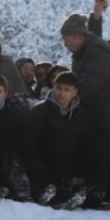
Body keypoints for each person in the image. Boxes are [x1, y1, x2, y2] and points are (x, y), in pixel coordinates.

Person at [61, 13, 110, 211]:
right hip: (104, 115)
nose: (66, 45)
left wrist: (70, 98)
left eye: (67, 40)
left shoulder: (97, 52)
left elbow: (89, 85)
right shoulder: (87, 50)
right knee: (105, 157)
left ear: (76, 37)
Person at [21, 71, 94, 209]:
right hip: (44, 164)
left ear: (74, 92)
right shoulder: (40, 112)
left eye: (66, 90)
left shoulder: (81, 115)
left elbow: (88, 144)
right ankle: (49, 193)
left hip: (70, 165)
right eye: (58, 88)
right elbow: (28, 145)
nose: (61, 93)